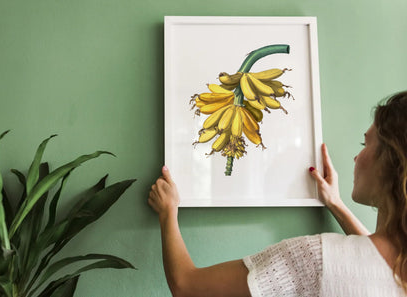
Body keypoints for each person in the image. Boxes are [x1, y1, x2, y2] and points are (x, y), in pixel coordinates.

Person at [148, 91, 407, 297]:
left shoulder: (314, 258)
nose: (356, 156)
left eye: (366, 144)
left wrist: (167, 212)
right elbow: (374, 264)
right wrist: (336, 204)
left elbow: (187, 287)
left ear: (390, 162)